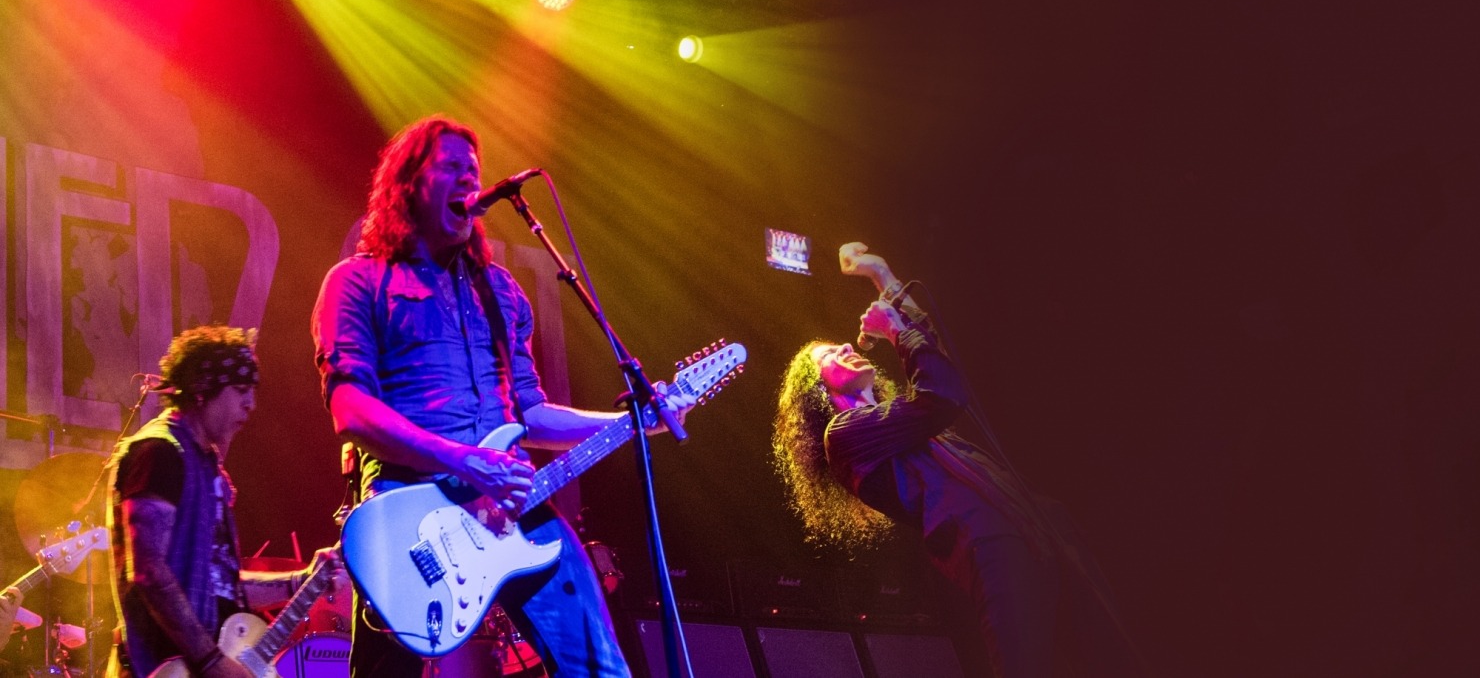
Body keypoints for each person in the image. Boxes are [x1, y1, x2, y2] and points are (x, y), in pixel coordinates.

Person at [312, 114, 694, 677]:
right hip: (407, 511)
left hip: (514, 505)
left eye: (474, 170)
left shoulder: (502, 293)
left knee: (599, 666)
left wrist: (639, 422)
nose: (469, 179)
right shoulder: (357, 282)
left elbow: (531, 414)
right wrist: (462, 459)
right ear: (408, 185)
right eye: (450, 168)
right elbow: (350, 412)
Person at [773, 242, 1139, 678]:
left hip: (1040, 526)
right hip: (992, 542)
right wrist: (894, 331)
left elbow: (934, 356)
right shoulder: (846, 436)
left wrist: (882, 276)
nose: (842, 350)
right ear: (818, 389)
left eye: (840, 345)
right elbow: (942, 391)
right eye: (827, 357)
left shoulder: (903, 422)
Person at [105, 325, 343, 678]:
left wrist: (301, 580)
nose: (251, 404)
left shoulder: (204, 466)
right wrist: (210, 661)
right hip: (160, 668)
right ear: (203, 388)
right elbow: (149, 572)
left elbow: (222, 586)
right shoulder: (159, 452)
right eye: (241, 390)